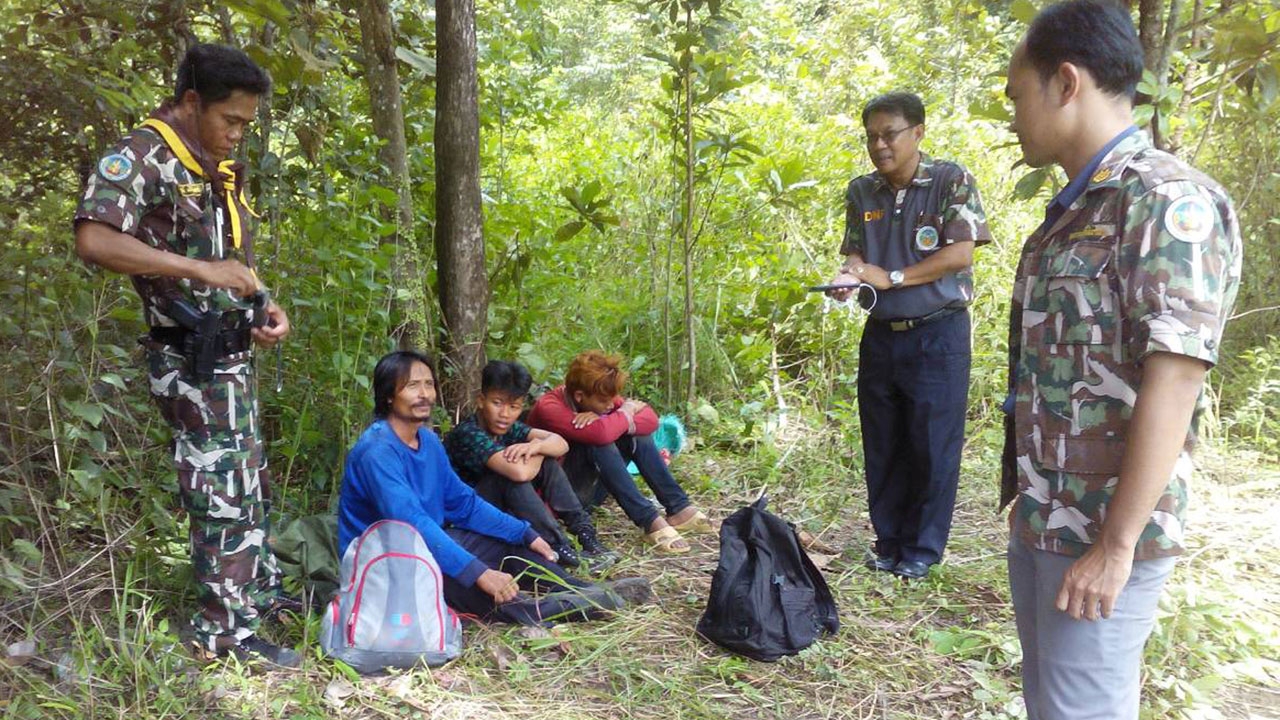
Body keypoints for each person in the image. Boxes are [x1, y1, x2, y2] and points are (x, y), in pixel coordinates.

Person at [1001, 3, 1242, 718]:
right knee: (1053, 706)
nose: (1013, 117)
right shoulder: (1077, 209)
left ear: (1065, 82)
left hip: (1101, 532)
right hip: (1048, 516)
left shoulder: (1164, 201)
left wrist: (1116, 545)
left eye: (1017, 95)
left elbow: (1177, 378)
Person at [73, 45, 296, 666]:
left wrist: (261, 305)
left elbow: (225, 256)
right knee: (218, 490)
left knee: (248, 481)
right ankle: (223, 636)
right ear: (192, 101)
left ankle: (257, 597)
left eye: (247, 123)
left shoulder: (207, 162)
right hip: (188, 359)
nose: (238, 133)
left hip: (231, 353)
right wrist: (201, 271)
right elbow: (94, 239)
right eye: (232, 120)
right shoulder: (141, 156)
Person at [338, 352, 648, 626]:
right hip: (389, 564)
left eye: (428, 384)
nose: (424, 394)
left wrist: (525, 533)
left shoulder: (428, 441)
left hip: (426, 545)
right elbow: (411, 524)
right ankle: (580, 605)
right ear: (389, 395)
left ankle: (581, 589)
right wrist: (479, 572)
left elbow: (463, 503)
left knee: (512, 547)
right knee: (487, 591)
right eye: (412, 386)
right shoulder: (377, 452)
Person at [823, 91, 992, 579]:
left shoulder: (949, 180)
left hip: (938, 332)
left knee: (932, 444)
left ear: (917, 132)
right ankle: (889, 541)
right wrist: (849, 276)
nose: (880, 145)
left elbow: (960, 254)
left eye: (889, 134)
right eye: (871, 137)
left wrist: (893, 277)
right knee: (883, 441)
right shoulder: (862, 191)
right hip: (881, 334)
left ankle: (921, 549)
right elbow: (856, 254)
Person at [526, 351, 713, 554]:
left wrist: (614, 417)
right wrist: (623, 413)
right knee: (600, 441)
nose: (610, 404)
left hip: (591, 488)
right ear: (579, 396)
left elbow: (651, 421)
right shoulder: (549, 406)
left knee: (637, 436)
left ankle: (678, 507)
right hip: (559, 499)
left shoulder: (600, 395)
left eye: (612, 399)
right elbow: (601, 435)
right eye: (603, 401)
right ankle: (649, 520)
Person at [443, 360, 619, 571]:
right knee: (509, 477)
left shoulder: (509, 428)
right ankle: (559, 546)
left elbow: (560, 444)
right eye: (497, 403)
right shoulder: (468, 433)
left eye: (514, 407)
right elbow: (518, 473)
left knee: (546, 461)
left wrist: (537, 446)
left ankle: (585, 533)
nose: (505, 414)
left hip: (497, 511)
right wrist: (540, 450)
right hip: (465, 515)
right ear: (481, 400)